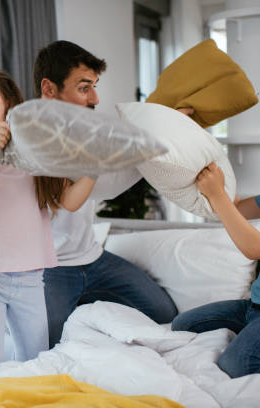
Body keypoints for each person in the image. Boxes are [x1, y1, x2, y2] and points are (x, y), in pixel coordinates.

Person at [0, 69, 95, 376]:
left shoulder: (37, 150)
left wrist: (95, 168)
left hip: (28, 276)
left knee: (36, 363)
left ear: (9, 103)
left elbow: (69, 201)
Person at [33, 40, 179, 348]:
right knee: (47, 346)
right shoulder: (30, 139)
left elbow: (104, 187)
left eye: (94, 86)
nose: (95, 98)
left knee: (163, 312)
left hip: (92, 258)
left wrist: (160, 137)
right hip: (51, 269)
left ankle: (86, 306)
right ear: (48, 89)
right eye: (84, 87)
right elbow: (68, 201)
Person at [172, 111, 260, 378]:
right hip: (258, 304)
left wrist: (217, 194)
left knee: (238, 366)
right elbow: (238, 208)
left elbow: (256, 247)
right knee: (182, 324)